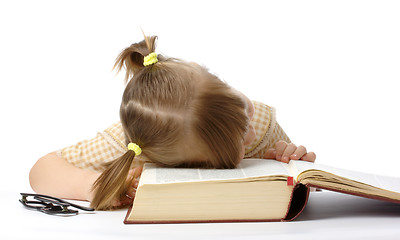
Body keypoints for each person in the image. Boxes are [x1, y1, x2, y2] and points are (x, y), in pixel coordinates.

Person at [29, 35, 316, 210]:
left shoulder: (262, 121)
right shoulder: (129, 145)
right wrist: (93, 186)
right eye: (239, 142)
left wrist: (295, 165)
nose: (253, 135)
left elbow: (308, 187)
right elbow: (42, 170)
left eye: (245, 112)